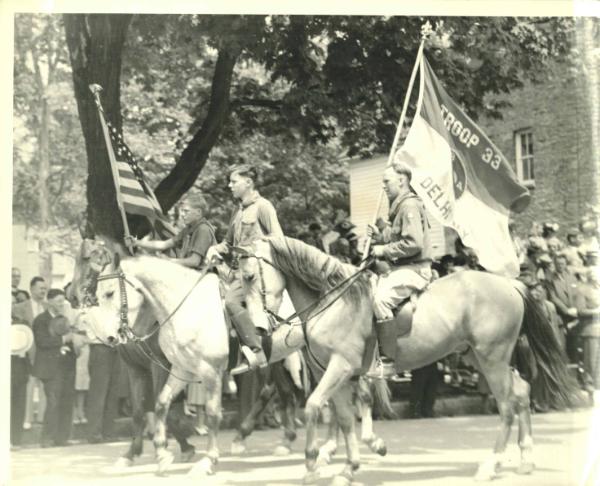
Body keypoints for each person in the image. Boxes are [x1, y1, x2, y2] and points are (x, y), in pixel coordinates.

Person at [206, 164, 284, 374]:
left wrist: (254, 249)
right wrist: (215, 249)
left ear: (248, 182)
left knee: (231, 301)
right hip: (239, 271)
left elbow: (278, 239)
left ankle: (256, 350)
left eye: (234, 181)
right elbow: (228, 243)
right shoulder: (238, 211)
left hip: (258, 272)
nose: (229, 185)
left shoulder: (264, 207)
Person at [367, 163, 432, 379]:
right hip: (401, 268)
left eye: (387, 181)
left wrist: (383, 249)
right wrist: (379, 236)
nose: (383, 186)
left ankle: (388, 362)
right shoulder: (399, 206)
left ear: (401, 180)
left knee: (380, 300)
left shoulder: (409, 206)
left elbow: (413, 243)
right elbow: (398, 238)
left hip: (414, 270)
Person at [32, 289, 78, 447]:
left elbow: (70, 341)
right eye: (58, 301)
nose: (61, 304)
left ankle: (61, 438)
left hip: (66, 366)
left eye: (62, 301)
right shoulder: (40, 320)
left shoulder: (64, 319)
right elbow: (42, 342)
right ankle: (46, 438)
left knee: (66, 401)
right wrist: (63, 339)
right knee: (53, 401)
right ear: (50, 301)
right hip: (50, 369)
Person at [133, 195, 216, 269]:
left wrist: (169, 261)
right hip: (192, 274)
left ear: (198, 212)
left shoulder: (203, 229)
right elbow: (164, 244)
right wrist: (136, 242)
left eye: (186, 211)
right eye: (182, 211)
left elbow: (194, 261)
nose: (182, 214)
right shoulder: (189, 229)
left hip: (203, 279)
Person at [13, 276, 48, 430]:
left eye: (45, 289)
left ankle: (41, 418)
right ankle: (26, 418)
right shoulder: (19, 308)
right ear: (32, 289)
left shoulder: (48, 307)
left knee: (44, 385)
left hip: (45, 352)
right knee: (29, 384)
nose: (43, 291)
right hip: (27, 353)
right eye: (41, 288)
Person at [547, 253, 580, 363]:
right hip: (560, 314)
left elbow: (577, 293)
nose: (560, 266)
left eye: (562, 263)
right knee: (562, 341)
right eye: (558, 264)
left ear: (566, 264)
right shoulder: (550, 278)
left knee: (574, 340)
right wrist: (566, 310)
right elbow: (553, 297)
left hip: (574, 314)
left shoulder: (572, 277)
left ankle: (575, 362)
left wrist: (575, 309)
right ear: (555, 264)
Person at [576, 267, 600, 396]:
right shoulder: (582, 290)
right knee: (590, 359)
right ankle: (588, 383)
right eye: (593, 274)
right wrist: (596, 312)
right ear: (589, 276)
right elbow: (580, 310)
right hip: (591, 328)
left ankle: (597, 383)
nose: (596, 277)